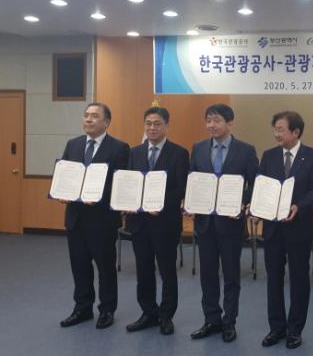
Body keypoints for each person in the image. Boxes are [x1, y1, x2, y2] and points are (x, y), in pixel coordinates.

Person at [189, 104, 258, 343]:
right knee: (207, 274)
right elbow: (192, 179)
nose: (211, 125)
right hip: (205, 223)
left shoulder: (246, 151)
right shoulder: (198, 148)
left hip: (230, 223)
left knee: (231, 275)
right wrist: (189, 201)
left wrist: (243, 202)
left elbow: (255, 183)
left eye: (216, 120)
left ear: (230, 123)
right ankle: (211, 319)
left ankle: (229, 321)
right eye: (208, 120)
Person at [59, 102, 129, 329]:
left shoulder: (119, 148)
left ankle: (107, 309)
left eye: (94, 116)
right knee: (79, 266)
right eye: (86, 115)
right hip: (76, 217)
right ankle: (82, 308)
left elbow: (120, 183)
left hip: (102, 219)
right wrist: (62, 191)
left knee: (105, 268)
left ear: (106, 122)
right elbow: (65, 175)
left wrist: (97, 195)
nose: (88, 119)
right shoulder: (73, 145)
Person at [258, 111, 313, 349]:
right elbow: (261, 185)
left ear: (296, 132)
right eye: (275, 129)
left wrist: (300, 206)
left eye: (281, 130)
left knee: (299, 279)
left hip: (299, 228)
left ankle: (295, 329)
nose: (276, 134)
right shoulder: (268, 156)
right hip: (273, 229)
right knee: (273, 278)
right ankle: (276, 327)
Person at [124, 107, 189, 335]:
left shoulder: (179, 153)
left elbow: (182, 187)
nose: (152, 128)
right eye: (149, 123)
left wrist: (158, 203)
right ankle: (148, 312)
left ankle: (166, 315)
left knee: (167, 270)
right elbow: (129, 183)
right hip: (139, 223)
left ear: (167, 126)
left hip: (165, 222)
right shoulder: (134, 152)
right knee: (143, 269)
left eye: (157, 124)